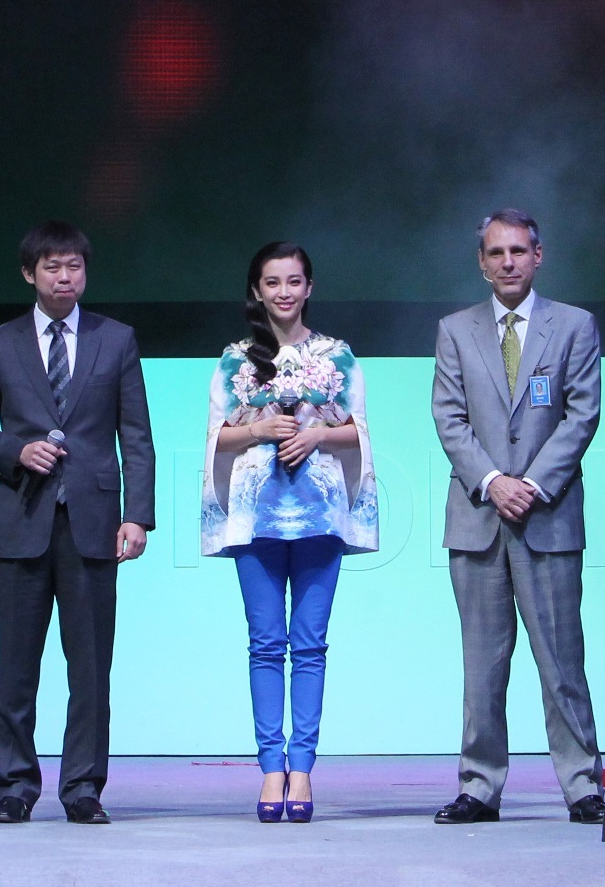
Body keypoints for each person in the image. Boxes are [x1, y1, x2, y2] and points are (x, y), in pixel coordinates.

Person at [0, 221, 154, 825]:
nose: (65, 277)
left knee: (90, 668)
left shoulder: (115, 339)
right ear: (29, 274)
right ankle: (15, 786)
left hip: (93, 522)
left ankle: (83, 788)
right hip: (22, 521)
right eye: (52, 267)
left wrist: (138, 516)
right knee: (16, 666)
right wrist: (15, 451)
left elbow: (136, 435)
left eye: (74, 266)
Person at [430, 209, 605, 825]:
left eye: (518, 251)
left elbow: (582, 415)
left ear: (538, 256)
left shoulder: (574, 326)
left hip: (546, 516)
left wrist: (528, 484)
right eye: (496, 253)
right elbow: (449, 417)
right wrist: (492, 481)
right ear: (482, 263)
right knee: (482, 665)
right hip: (477, 517)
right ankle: (479, 787)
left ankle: (582, 785)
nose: (508, 262)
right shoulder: (455, 330)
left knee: (561, 660)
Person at [201, 243, 378, 822]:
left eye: (294, 281)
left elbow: (359, 431)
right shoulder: (235, 360)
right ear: (257, 290)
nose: (283, 292)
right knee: (264, 643)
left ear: (309, 288)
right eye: (272, 282)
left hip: (318, 514)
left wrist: (318, 435)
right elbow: (217, 439)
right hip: (256, 516)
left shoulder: (337, 355)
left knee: (309, 644)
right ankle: (270, 769)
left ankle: (301, 768)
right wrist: (259, 430)